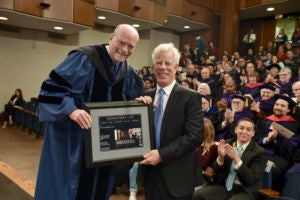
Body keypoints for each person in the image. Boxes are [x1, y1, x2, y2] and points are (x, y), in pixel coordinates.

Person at [34, 24, 144, 200]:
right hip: (74, 142)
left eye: (130, 46)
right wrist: (72, 111)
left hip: (104, 149)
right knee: (69, 189)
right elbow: (51, 89)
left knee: (99, 187)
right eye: (121, 43)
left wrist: (141, 102)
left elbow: (130, 106)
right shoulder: (84, 58)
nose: (124, 50)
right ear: (111, 38)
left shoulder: (128, 73)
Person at [137, 43, 204, 200]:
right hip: (150, 175)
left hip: (178, 177)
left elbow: (194, 136)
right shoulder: (145, 96)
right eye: (159, 63)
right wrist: (137, 112)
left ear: (175, 67)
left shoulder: (191, 96)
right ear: (153, 67)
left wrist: (161, 155)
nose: (163, 67)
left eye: (167, 63)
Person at [193, 118, 267, 200]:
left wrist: (236, 159)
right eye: (241, 128)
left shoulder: (259, 152)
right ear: (236, 130)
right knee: (198, 195)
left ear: (253, 133)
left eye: (248, 130)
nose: (244, 132)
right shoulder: (227, 144)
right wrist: (221, 158)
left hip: (245, 190)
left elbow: (251, 180)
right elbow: (216, 171)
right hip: (224, 187)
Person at [255, 94, 299, 192]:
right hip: (260, 151)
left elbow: (293, 146)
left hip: (280, 155)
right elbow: (255, 138)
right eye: (277, 104)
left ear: (288, 110)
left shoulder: (294, 125)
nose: (278, 107)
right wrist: (267, 139)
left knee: (269, 170)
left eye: (282, 106)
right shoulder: (264, 121)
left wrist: (278, 137)